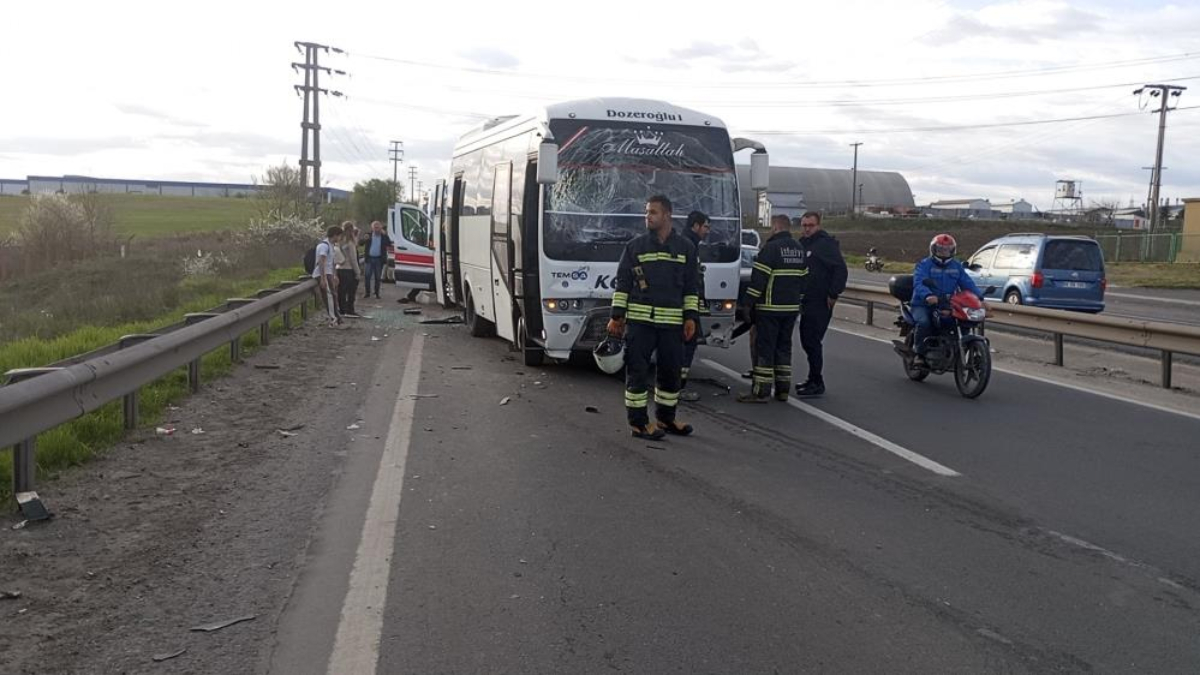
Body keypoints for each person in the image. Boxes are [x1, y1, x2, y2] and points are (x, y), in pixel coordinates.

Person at [607, 195, 700, 440]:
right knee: (637, 373)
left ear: (667, 215)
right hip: (641, 324)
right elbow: (623, 284)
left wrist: (691, 317)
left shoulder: (685, 248)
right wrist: (617, 316)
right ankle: (638, 423)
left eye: (653, 212)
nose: (647, 216)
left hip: (672, 325)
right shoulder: (635, 247)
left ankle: (666, 419)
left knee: (671, 372)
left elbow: (691, 286)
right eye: (646, 212)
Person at [738, 214, 807, 403]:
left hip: (769, 309)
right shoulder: (799, 249)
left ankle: (761, 391)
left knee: (765, 349)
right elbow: (804, 280)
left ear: (776, 228)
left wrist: (748, 304)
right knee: (784, 348)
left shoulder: (771, 249)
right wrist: (798, 303)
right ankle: (783, 390)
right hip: (791, 309)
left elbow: (758, 280)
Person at [794, 211, 847, 398]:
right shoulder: (803, 244)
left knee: (812, 340)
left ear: (818, 225)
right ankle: (812, 378)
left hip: (820, 300)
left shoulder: (825, 244)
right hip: (806, 300)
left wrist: (833, 293)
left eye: (811, 225)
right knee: (806, 340)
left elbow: (840, 269)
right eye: (804, 225)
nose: (807, 229)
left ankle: (817, 381)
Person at [911, 233, 984, 367]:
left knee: (962, 321)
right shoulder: (924, 264)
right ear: (933, 249)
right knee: (924, 322)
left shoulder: (956, 266)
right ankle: (918, 354)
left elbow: (967, 283)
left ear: (953, 250)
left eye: (947, 250)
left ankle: (956, 349)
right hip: (923, 304)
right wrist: (928, 295)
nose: (944, 253)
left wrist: (980, 299)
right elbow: (919, 282)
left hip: (947, 303)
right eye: (941, 249)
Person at [679, 210, 711, 402]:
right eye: (705, 226)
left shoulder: (688, 243)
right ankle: (678, 387)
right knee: (686, 344)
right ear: (696, 226)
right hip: (685, 306)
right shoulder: (688, 245)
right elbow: (690, 279)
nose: (707, 231)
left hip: (685, 303)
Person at [312, 225, 343, 328]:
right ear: (335, 235)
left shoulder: (331, 245)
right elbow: (322, 262)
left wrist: (334, 275)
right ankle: (333, 319)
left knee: (333, 295)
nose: (340, 238)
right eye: (339, 236)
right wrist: (323, 278)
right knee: (329, 296)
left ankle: (337, 317)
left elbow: (332, 262)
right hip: (323, 273)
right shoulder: (324, 246)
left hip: (329, 273)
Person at [336, 221, 361, 317]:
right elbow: (353, 259)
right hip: (349, 269)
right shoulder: (350, 243)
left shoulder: (339, 242)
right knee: (351, 291)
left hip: (340, 268)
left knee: (341, 291)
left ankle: (342, 309)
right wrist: (357, 272)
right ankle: (350, 309)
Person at [362, 220, 393, 300]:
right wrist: (364, 239)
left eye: (378, 227)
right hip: (369, 258)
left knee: (377, 277)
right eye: (375, 228)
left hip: (379, 259)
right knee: (367, 276)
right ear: (372, 228)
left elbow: (389, 244)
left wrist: (385, 234)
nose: (376, 229)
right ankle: (367, 293)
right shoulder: (368, 235)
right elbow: (360, 243)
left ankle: (376, 293)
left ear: (380, 228)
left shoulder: (383, 236)